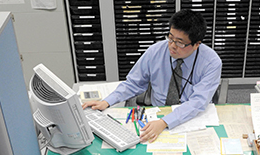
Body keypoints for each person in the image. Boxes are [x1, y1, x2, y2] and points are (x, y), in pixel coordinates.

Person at [83, 9, 222, 143]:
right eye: (170, 38)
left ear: (196, 44)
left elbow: (198, 102)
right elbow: (133, 83)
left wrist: (165, 122)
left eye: (180, 42)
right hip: (157, 113)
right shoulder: (155, 52)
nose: (172, 46)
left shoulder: (211, 63)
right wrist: (106, 101)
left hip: (191, 118)